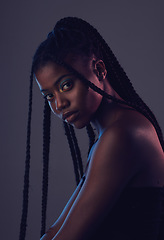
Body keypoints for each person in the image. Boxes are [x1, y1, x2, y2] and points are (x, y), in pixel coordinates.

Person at [19, 17, 164, 240]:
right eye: (49, 96)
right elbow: (55, 232)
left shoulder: (123, 135)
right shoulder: (113, 134)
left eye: (66, 85)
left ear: (99, 69)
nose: (59, 104)